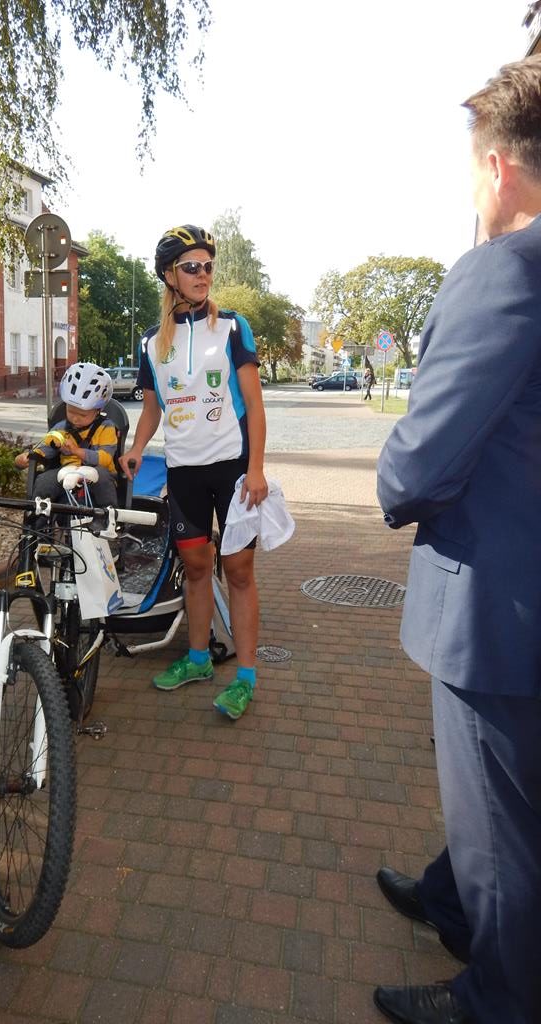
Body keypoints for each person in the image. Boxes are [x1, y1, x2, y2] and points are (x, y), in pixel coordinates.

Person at [374, 56, 541, 1024]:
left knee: (500, 822)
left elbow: (421, 463)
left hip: (496, 604)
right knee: (507, 794)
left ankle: (498, 998)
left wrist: (390, 483)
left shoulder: (505, 269)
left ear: (498, 168)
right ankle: (448, 899)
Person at [120, 224, 267, 721]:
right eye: (191, 267)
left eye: (207, 266)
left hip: (232, 469)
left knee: (239, 571)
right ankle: (199, 659)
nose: (202, 274)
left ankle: (245, 677)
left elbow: (254, 404)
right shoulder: (150, 342)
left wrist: (256, 469)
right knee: (198, 568)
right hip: (183, 470)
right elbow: (151, 408)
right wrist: (137, 448)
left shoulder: (232, 328)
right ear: (170, 275)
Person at [15, 362, 119, 509]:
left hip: (98, 473)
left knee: (103, 478)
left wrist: (76, 451)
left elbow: (105, 459)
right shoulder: (61, 428)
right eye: (71, 412)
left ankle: (107, 515)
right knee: (44, 480)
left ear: (98, 410)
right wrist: (29, 457)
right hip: (67, 472)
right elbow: (46, 448)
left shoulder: (106, 428)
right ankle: (39, 515)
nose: (75, 419)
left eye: (82, 415)